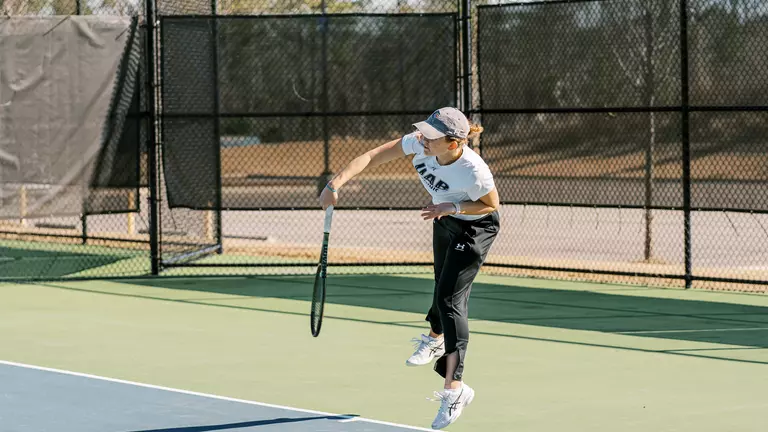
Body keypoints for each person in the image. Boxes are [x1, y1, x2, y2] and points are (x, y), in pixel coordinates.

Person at [318, 107, 500, 430]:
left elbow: (491, 205)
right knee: (440, 285)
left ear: (454, 142)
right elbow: (373, 157)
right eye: (425, 131)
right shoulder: (420, 143)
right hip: (444, 217)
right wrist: (335, 183)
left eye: (432, 135)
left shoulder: (474, 170)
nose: (423, 138)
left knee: (450, 299)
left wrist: (453, 206)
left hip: (476, 227)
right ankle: (435, 337)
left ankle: (455, 388)